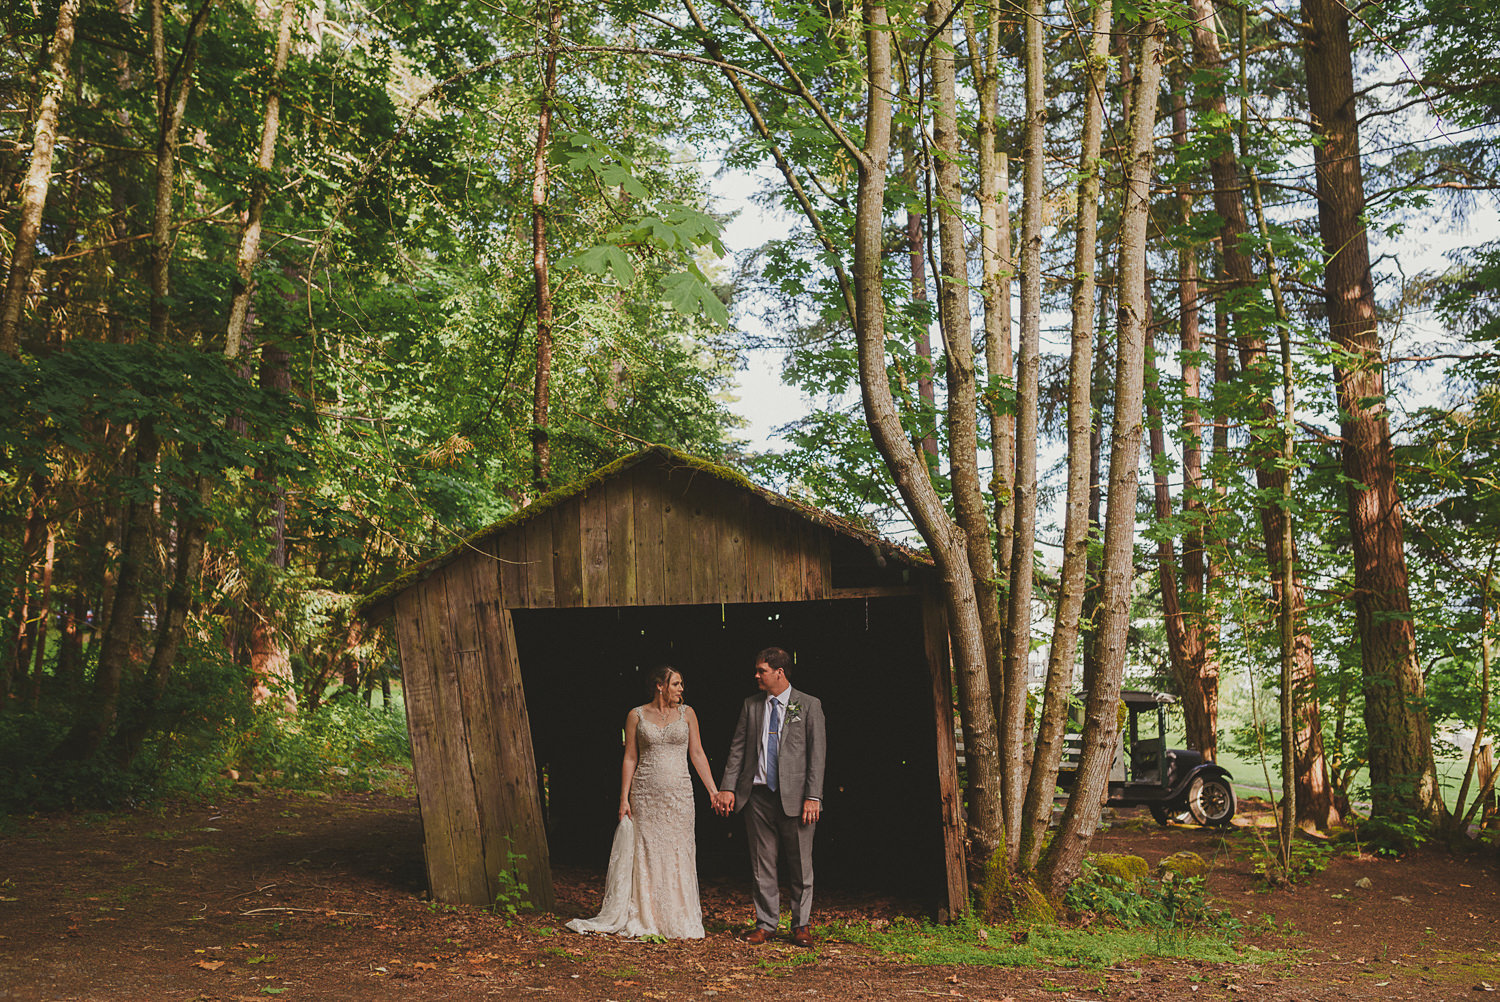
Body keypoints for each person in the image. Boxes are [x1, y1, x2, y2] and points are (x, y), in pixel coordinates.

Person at [567, 666, 719, 939]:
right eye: (676, 684)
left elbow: (697, 752)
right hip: (646, 794)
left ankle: (678, 917)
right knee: (646, 852)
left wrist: (712, 790)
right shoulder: (636, 715)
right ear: (660, 686)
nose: (681, 689)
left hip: (679, 796)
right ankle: (647, 916)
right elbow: (629, 758)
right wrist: (623, 797)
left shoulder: (688, 714)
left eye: (681, 684)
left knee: (677, 852)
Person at [713, 647, 825, 947]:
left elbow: (817, 755)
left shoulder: (809, 705)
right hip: (757, 797)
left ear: (780, 672)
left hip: (797, 799)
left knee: (801, 864)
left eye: (762, 670)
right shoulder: (751, 705)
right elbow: (738, 749)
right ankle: (766, 924)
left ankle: (801, 925)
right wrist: (727, 787)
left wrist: (813, 796)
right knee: (762, 864)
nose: (757, 675)